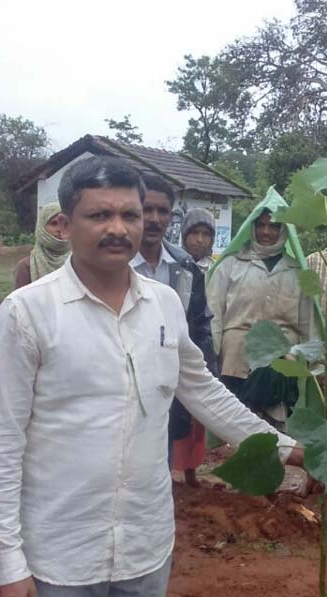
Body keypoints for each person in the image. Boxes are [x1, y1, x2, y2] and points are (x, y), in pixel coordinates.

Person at [0, 155, 304, 597]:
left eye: (131, 213)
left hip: (144, 545)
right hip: (56, 554)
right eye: (101, 215)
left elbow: (201, 388)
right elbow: (0, 441)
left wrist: (286, 448)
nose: (119, 227)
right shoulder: (27, 313)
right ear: (66, 223)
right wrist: (7, 560)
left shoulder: (163, 304)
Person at [130, 174, 217, 486]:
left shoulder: (185, 267)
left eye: (162, 211)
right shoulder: (115, 265)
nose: (154, 219)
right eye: (146, 209)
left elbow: (198, 324)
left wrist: (207, 375)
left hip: (168, 379)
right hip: (123, 381)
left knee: (162, 451)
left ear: (171, 216)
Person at [207, 186, 314, 423]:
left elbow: (309, 322)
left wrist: (315, 365)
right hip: (235, 357)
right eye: (261, 225)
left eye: (274, 225)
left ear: (284, 229)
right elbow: (214, 313)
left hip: (282, 361)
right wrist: (211, 355)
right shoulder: (231, 265)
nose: (266, 232)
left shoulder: (298, 271)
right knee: (235, 425)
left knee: (277, 429)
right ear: (252, 227)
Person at [14, 201, 69, 290]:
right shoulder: (27, 267)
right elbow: (21, 302)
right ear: (42, 227)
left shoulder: (81, 262)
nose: (60, 229)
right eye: (54, 223)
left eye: (65, 224)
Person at [181, 207, 216, 271]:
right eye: (194, 232)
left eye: (206, 234)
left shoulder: (216, 270)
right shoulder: (171, 264)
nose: (200, 240)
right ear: (185, 235)